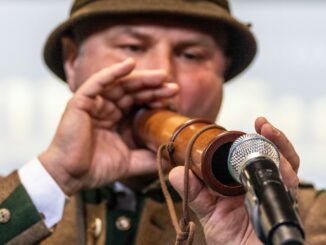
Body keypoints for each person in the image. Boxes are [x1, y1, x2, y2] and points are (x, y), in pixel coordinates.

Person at [1, 0, 325, 244]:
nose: (164, 74)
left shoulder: (304, 216)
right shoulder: (17, 195)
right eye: (132, 47)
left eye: (191, 55)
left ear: (222, 73)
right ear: (72, 61)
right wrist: (54, 175)